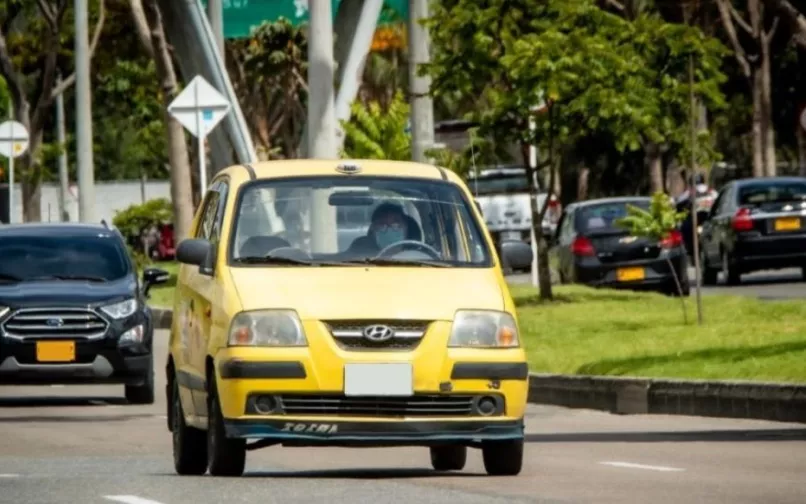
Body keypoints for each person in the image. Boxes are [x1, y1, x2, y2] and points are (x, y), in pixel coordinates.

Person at [347, 202, 420, 255]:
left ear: (407, 228)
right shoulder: (357, 262)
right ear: (373, 230)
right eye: (382, 225)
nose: (389, 230)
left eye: (396, 225)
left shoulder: (422, 261)